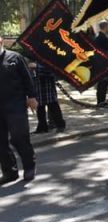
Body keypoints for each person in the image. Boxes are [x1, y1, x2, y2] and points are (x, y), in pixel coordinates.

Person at [0, 35, 38, 184]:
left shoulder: (15, 58)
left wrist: (32, 97)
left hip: (15, 105)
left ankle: (29, 167)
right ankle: (10, 172)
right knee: (1, 142)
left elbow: (28, 78)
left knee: (19, 138)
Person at [32, 62, 66, 133]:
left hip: (48, 87)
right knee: (40, 109)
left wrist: (37, 67)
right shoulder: (34, 58)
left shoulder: (47, 59)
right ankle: (42, 127)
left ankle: (60, 125)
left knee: (53, 107)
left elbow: (52, 71)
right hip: (37, 87)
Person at [93, 20, 108, 107]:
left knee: (103, 83)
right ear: (105, 27)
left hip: (101, 64)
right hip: (103, 65)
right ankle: (101, 101)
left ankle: (101, 100)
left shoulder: (98, 37)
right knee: (103, 82)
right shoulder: (102, 38)